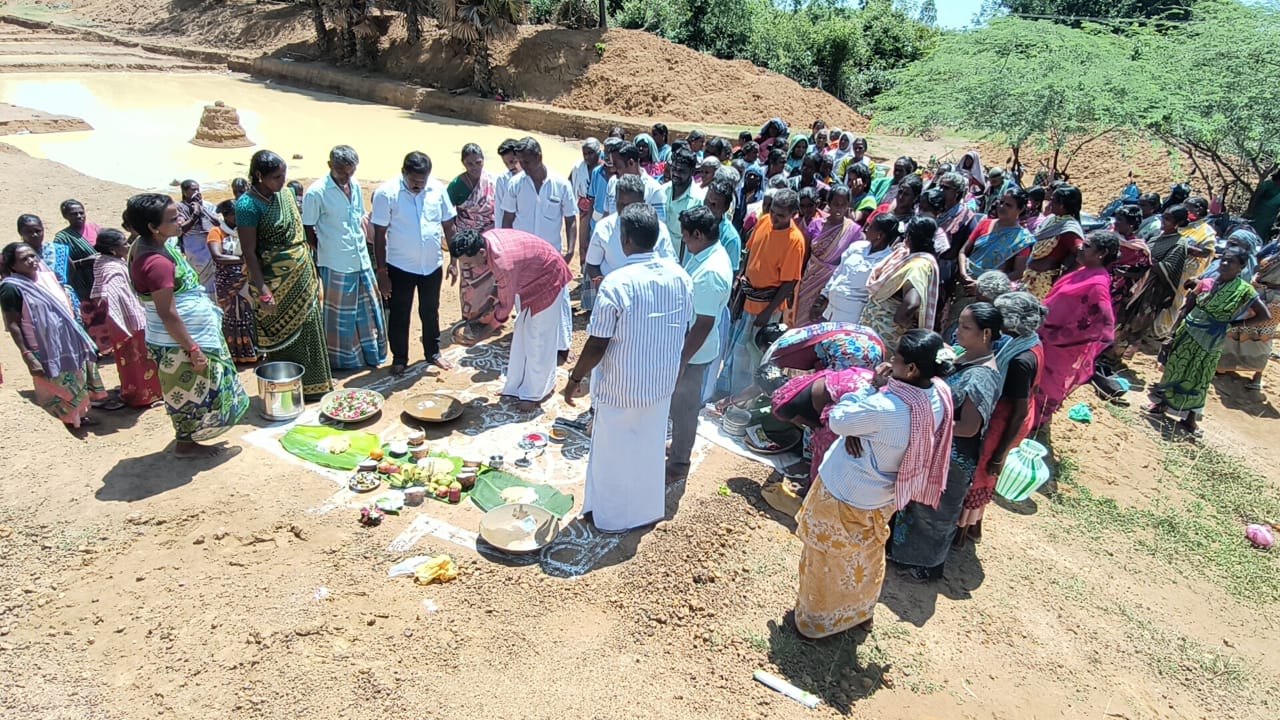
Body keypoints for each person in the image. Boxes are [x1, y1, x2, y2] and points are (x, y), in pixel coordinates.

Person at [791, 330, 954, 639]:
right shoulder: (939, 395)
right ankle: (860, 613)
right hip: (885, 496)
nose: (890, 363)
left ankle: (815, 624)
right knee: (866, 556)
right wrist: (861, 429)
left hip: (846, 493)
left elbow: (839, 418)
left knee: (825, 559)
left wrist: (873, 387)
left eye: (896, 359)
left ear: (913, 369)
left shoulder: (885, 406)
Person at [564, 203, 693, 532]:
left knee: (613, 457)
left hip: (621, 388)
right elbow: (685, 326)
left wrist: (576, 378)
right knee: (647, 452)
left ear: (625, 240)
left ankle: (610, 518)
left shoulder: (617, 283)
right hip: (660, 385)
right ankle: (643, 513)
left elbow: (597, 343)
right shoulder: (681, 277)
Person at [125, 194, 250, 456]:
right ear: (152, 227)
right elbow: (168, 313)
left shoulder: (151, 244)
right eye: (173, 219)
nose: (181, 220)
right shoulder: (156, 263)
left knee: (194, 388)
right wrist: (192, 348)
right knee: (188, 392)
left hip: (178, 337)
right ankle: (186, 444)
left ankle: (188, 438)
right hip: (178, 341)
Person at [890, 304, 1002, 580]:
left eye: (965, 327)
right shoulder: (966, 357)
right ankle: (903, 553)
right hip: (939, 446)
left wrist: (928, 423)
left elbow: (969, 426)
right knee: (917, 504)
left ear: (986, 333)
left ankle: (926, 565)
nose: (958, 331)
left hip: (954, 457)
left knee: (935, 513)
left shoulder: (981, 376)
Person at [237, 150, 334, 396]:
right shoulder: (247, 205)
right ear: (259, 176)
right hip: (273, 281)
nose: (282, 182)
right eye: (276, 177)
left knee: (310, 328)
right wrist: (264, 291)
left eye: (284, 176)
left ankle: (316, 386)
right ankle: (289, 389)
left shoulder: (286, 196)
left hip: (301, 277)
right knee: (284, 336)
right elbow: (249, 251)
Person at [1148, 246, 1270, 437]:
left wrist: (1234, 324)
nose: (1225, 263)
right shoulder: (1206, 283)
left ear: (1241, 268)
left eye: (1231, 262)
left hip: (1212, 339)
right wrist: (1172, 334)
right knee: (1175, 368)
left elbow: (1264, 315)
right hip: (1187, 332)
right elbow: (1186, 310)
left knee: (1200, 376)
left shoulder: (1244, 291)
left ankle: (1190, 418)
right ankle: (1163, 403)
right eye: (1224, 259)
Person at [448, 229, 573, 410]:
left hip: (549, 277)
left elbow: (505, 309)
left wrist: (482, 334)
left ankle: (536, 393)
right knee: (523, 332)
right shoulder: (485, 243)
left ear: (481, 253)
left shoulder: (502, 263)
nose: (468, 267)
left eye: (468, 262)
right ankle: (516, 386)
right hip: (530, 277)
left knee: (539, 337)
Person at [957, 291, 1045, 543]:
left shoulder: (1020, 360)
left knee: (979, 477)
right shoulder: (1029, 342)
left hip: (1005, 424)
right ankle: (973, 525)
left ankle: (962, 532)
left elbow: (1019, 411)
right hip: (1007, 420)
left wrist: (1000, 454)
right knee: (983, 478)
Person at [1, 241, 107, 428]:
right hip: (42, 348)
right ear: (12, 266)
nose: (32, 261)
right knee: (57, 387)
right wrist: (27, 355)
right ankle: (64, 423)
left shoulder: (47, 277)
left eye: (33, 255)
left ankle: (80, 417)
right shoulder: (11, 288)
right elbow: (13, 324)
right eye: (24, 259)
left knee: (76, 380)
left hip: (67, 340)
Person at [372, 151, 457, 376]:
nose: (418, 185)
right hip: (400, 267)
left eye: (422, 181)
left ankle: (433, 352)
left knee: (430, 310)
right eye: (413, 181)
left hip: (431, 265)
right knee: (400, 312)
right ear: (404, 173)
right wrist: (382, 272)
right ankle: (400, 357)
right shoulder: (386, 193)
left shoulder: (438, 190)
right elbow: (379, 234)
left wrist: (454, 259)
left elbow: (448, 225)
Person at [302, 145, 386, 372]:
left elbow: (358, 218)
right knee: (341, 318)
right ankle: (343, 362)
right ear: (330, 166)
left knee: (368, 310)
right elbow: (308, 227)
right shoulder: (316, 192)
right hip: (335, 261)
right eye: (341, 171)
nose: (346, 176)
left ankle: (371, 356)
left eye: (350, 171)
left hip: (360, 259)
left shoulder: (356, 186)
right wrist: (323, 251)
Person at [718, 189, 806, 396]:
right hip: (746, 298)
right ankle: (723, 389)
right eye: (774, 211)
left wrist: (767, 313)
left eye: (781, 215)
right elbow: (750, 252)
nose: (775, 218)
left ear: (794, 213)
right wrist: (740, 278)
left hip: (765, 307)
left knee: (748, 356)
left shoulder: (795, 241)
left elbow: (790, 282)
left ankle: (739, 398)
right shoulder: (765, 220)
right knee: (732, 347)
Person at [667, 207, 733, 483]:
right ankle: (678, 448)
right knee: (679, 404)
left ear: (698, 234)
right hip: (691, 346)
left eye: (685, 237)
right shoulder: (706, 254)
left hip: (694, 352)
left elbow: (703, 324)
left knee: (684, 408)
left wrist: (681, 360)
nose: (683, 242)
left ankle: (680, 462)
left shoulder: (710, 272)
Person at [1033, 231, 1120, 428]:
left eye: (1087, 245)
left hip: (1059, 349)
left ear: (1102, 254)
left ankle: (1033, 427)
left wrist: (1055, 336)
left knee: (1044, 389)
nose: (1080, 246)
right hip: (1045, 337)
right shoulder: (1083, 272)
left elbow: (1103, 324)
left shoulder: (1098, 284)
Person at [501, 138, 576, 358]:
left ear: (539, 157)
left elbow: (571, 219)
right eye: (520, 161)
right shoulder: (515, 185)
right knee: (523, 299)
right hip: (523, 256)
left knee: (557, 299)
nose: (523, 166)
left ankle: (561, 346)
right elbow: (508, 218)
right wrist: (508, 250)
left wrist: (570, 250)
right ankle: (527, 344)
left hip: (551, 256)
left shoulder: (561, 184)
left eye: (527, 161)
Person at [87, 229, 163, 408]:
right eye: (124, 244)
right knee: (138, 360)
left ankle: (136, 392)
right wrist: (122, 315)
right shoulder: (112, 269)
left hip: (124, 321)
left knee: (130, 360)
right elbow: (109, 294)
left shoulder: (105, 261)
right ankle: (143, 396)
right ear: (113, 250)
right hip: (128, 322)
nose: (128, 245)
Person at [1112, 205, 1190, 358]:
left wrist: (1150, 261)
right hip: (1140, 283)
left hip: (1152, 291)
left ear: (1178, 223)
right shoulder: (1157, 237)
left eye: (1168, 219)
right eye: (1164, 217)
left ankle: (1118, 356)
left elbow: (1170, 268)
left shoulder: (1179, 243)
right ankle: (1110, 351)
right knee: (1123, 316)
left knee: (1136, 323)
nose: (1163, 221)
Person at [860, 217, 942, 353]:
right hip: (876, 331)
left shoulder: (918, 266)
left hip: (885, 334)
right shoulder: (908, 256)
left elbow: (912, 303)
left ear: (908, 236)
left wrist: (900, 321)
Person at [795, 185, 863, 326]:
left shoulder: (853, 231)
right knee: (798, 319)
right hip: (808, 280)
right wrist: (797, 281)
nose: (839, 208)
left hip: (829, 285)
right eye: (836, 204)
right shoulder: (816, 224)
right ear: (829, 203)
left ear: (848, 205)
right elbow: (805, 256)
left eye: (843, 205)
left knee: (817, 322)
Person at [814, 214, 900, 325]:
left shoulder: (887, 261)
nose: (866, 229)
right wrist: (822, 297)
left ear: (880, 235)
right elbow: (838, 273)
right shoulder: (857, 247)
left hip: (851, 317)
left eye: (871, 227)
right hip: (829, 310)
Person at [585, 174, 676, 278]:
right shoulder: (603, 228)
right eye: (621, 204)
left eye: (631, 205)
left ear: (643, 202)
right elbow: (592, 264)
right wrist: (601, 285)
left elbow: (670, 265)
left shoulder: (659, 229)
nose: (626, 210)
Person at [1219, 248, 1280, 389]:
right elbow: (1260, 258)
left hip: (1275, 299)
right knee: (1240, 329)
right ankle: (1226, 365)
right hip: (1258, 291)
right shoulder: (1275, 248)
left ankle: (1257, 376)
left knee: (1264, 335)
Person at [206, 199, 258, 363]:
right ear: (226, 216)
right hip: (228, 282)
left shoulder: (246, 230)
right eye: (235, 215)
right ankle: (234, 354)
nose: (238, 218)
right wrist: (245, 259)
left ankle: (252, 351)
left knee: (249, 314)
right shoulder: (216, 232)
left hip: (247, 280)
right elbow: (218, 256)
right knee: (231, 316)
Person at [1021, 184, 1084, 299]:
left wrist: (1062, 279)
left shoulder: (1068, 229)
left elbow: (1082, 256)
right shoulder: (1051, 219)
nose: (1049, 204)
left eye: (1053, 201)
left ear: (1062, 205)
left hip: (1044, 284)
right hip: (1030, 277)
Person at [960, 187, 1036, 282]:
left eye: (1008, 205)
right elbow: (963, 251)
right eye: (1001, 202)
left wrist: (983, 284)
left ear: (1020, 209)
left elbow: (1018, 273)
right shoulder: (985, 223)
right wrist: (964, 274)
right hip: (965, 281)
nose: (1002, 207)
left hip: (990, 289)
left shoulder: (1022, 240)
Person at [52, 200, 101, 316]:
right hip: (83, 284)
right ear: (65, 216)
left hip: (101, 278)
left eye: (81, 212)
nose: (79, 216)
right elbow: (62, 265)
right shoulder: (62, 238)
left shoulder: (95, 229)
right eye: (74, 214)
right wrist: (84, 262)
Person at [175, 181, 218, 294]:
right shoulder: (180, 208)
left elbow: (218, 223)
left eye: (198, 189)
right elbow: (181, 229)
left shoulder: (207, 205)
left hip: (211, 244)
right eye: (193, 190)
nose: (197, 192)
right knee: (200, 277)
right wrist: (195, 214)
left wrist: (202, 210)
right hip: (194, 248)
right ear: (184, 192)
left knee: (214, 278)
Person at [1109, 204, 1152, 313]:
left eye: (1120, 220)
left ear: (1131, 225)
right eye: (1115, 218)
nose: (1115, 222)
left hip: (1117, 291)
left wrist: (1124, 273)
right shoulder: (1109, 237)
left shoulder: (1138, 248)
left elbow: (1143, 272)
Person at [664, 150, 705, 253]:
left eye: (681, 171)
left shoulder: (699, 200)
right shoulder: (662, 190)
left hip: (683, 256)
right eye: (674, 169)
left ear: (692, 172)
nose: (676, 174)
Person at [569, 138, 603, 265]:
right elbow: (569, 184)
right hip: (584, 209)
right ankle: (584, 271)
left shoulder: (604, 170)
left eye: (590, 153)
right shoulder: (579, 168)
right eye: (585, 154)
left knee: (597, 240)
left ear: (598, 152)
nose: (587, 157)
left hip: (599, 210)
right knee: (583, 240)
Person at [1247, 169, 1280, 243]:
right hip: (1258, 214)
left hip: (1270, 219)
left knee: (1263, 237)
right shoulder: (1268, 185)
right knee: (1253, 233)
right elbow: (1255, 197)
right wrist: (1250, 211)